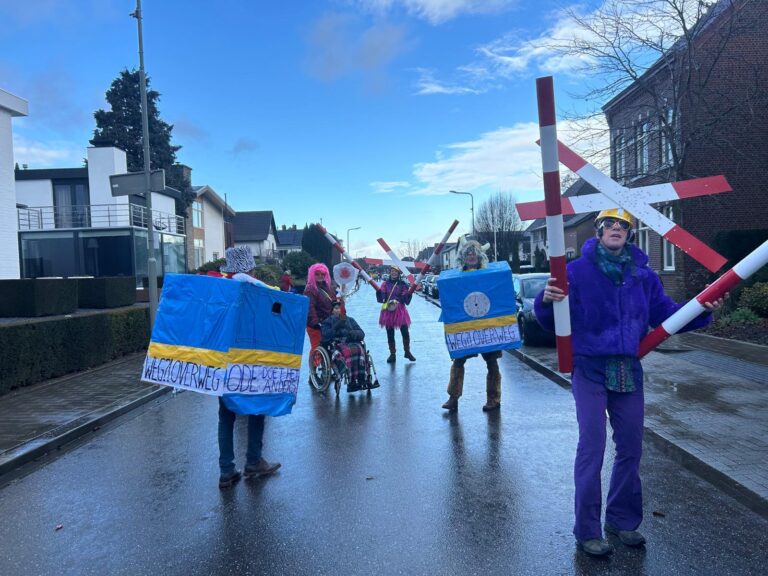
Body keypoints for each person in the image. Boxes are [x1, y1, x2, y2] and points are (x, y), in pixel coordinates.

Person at [534, 208, 725, 556]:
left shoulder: (644, 276)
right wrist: (545, 302)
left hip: (627, 370)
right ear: (598, 231)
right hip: (589, 367)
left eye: (623, 225)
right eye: (610, 224)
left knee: (631, 447)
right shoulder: (575, 272)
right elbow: (550, 321)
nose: (616, 229)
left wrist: (703, 309)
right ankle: (587, 529)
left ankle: (621, 521)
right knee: (592, 446)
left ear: (630, 234)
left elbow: (668, 316)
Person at [217, 245, 281, 489]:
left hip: (224, 361)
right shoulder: (257, 289)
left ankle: (226, 470)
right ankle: (253, 461)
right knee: (256, 409)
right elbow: (278, 309)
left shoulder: (221, 290)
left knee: (226, 416)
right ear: (250, 268)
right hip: (252, 361)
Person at [441, 237, 502, 412]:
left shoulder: (489, 275)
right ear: (463, 257)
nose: (471, 256)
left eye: (474, 253)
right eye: (468, 254)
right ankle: (453, 397)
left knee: (491, 363)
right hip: (465, 326)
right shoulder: (457, 277)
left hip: (487, 325)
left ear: (479, 256)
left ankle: (494, 398)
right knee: (458, 362)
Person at [320, 300, 378, 392]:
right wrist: (335, 327)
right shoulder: (327, 322)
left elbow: (361, 333)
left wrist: (353, 333)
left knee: (359, 350)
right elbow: (325, 336)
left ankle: (361, 379)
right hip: (337, 344)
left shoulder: (350, 320)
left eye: (340, 308)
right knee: (347, 353)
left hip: (351, 342)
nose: (338, 310)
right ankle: (351, 381)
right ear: (332, 310)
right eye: (336, 308)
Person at [376, 266, 416, 363]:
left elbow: (405, 300)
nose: (393, 273)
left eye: (396, 271)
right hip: (388, 311)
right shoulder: (385, 284)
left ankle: (407, 351)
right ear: (390, 273)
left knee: (405, 332)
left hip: (400, 311)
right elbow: (382, 298)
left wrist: (409, 293)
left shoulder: (403, 284)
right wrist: (379, 292)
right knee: (390, 333)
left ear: (398, 274)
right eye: (392, 271)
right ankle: (392, 354)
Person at [304, 263, 336, 352]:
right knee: (317, 347)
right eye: (317, 274)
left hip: (329, 322)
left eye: (322, 274)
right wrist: (315, 323)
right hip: (316, 324)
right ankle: (314, 365)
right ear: (312, 275)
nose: (320, 276)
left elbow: (333, 303)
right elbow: (310, 307)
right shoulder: (310, 289)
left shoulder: (328, 287)